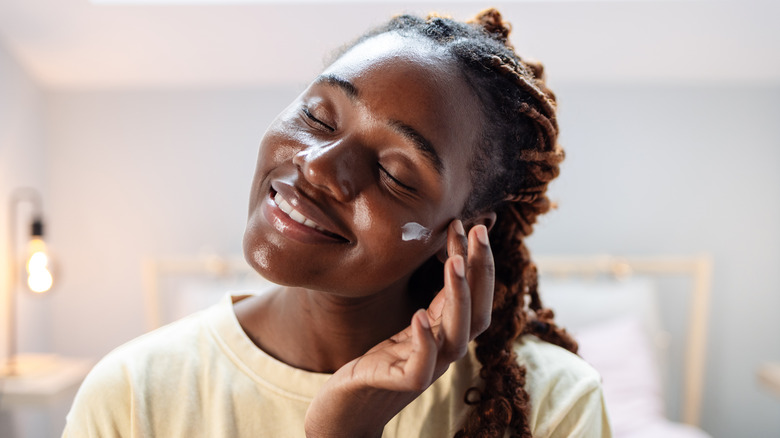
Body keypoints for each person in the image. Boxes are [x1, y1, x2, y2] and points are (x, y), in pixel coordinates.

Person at [63, 8, 611, 438]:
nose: (319, 163)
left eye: (395, 173)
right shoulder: (133, 393)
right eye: (317, 116)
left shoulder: (554, 405)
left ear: (465, 232)